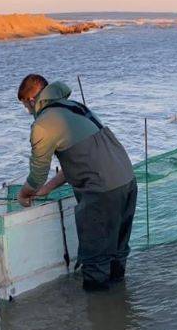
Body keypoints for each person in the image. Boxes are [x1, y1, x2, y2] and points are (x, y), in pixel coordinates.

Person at [15, 74, 137, 291]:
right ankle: (121, 312)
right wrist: (47, 189)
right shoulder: (75, 107)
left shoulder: (43, 124)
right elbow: (81, 159)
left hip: (101, 192)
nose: (27, 112)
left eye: (25, 106)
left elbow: (36, 176)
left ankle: (100, 317)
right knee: (117, 254)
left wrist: (24, 194)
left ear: (32, 100)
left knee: (95, 263)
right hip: (127, 183)